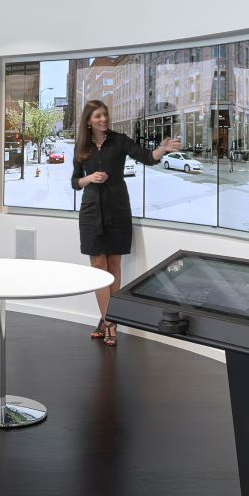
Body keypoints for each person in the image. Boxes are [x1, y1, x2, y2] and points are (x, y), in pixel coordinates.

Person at [72, 100, 181, 347]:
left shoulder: (120, 140)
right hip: (90, 212)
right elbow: (75, 182)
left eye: (105, 114)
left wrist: (162, 149)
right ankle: (110, 321)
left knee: (113, 265)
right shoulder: (82, 147)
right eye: (98, 115)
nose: (103, 119)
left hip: (117, 209)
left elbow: (147, 157)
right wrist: (89, 178)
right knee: (97, 266)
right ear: (88, 120)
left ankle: (106, 320)